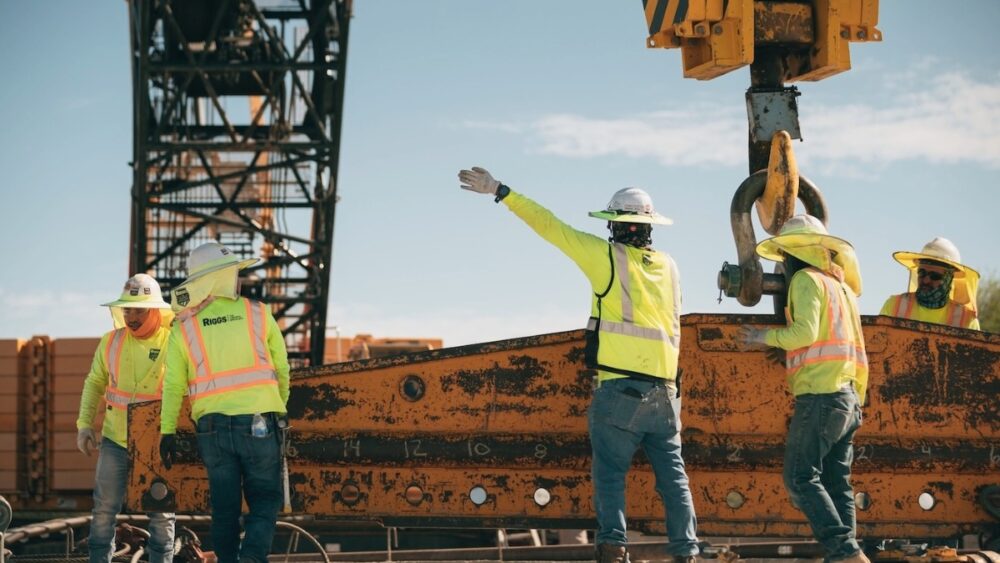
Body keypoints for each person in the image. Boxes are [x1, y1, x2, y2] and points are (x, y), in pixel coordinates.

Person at [458, 166, 699, 563]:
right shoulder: (670, 267)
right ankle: (687, 551)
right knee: (674, 478)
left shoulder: (606, 256)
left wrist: (502, 190)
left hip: (619, 391)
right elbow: (674, 325)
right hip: (664, 392)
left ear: (616, 225)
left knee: (609, 474)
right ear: (649, 225)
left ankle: (613, 547)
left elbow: (551, 227)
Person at [739, 215, 869, 563]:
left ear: (795, 253)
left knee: (800, 478)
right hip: (849, 398)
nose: (782, 262)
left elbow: (805, 334)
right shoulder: (842, 289)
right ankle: (849, 553)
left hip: (821, 396)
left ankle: (844, 551)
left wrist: (761, 337)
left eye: (784, 255)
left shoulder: (805, 281)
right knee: (837, 484)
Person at [158, 242, 290, 563]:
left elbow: (174, 385)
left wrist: (167, 432)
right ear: (221, 277)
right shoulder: (258, 313)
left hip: (212, 429)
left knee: (225, 509)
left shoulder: (184, 327)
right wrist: (279, 408)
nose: (239, 279)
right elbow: (282, 368)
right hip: (259, 423)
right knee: (265, 501)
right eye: (235, 273)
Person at [76, 274, 176, 563]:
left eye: (138, 310)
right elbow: (94, 383)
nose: (131, 316)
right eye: (127, 309)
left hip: (158, 444)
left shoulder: (174, 343)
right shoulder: (111, 342)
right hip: (115, 441)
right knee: (104, 510)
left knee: (161, 513)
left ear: (155, 310)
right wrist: (84, 425)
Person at [880, 237, 980, 330]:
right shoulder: (894, 305)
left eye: (935, 276)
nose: (926, 280)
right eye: (922, 273)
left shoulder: (966, 320)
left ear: (948, 279)